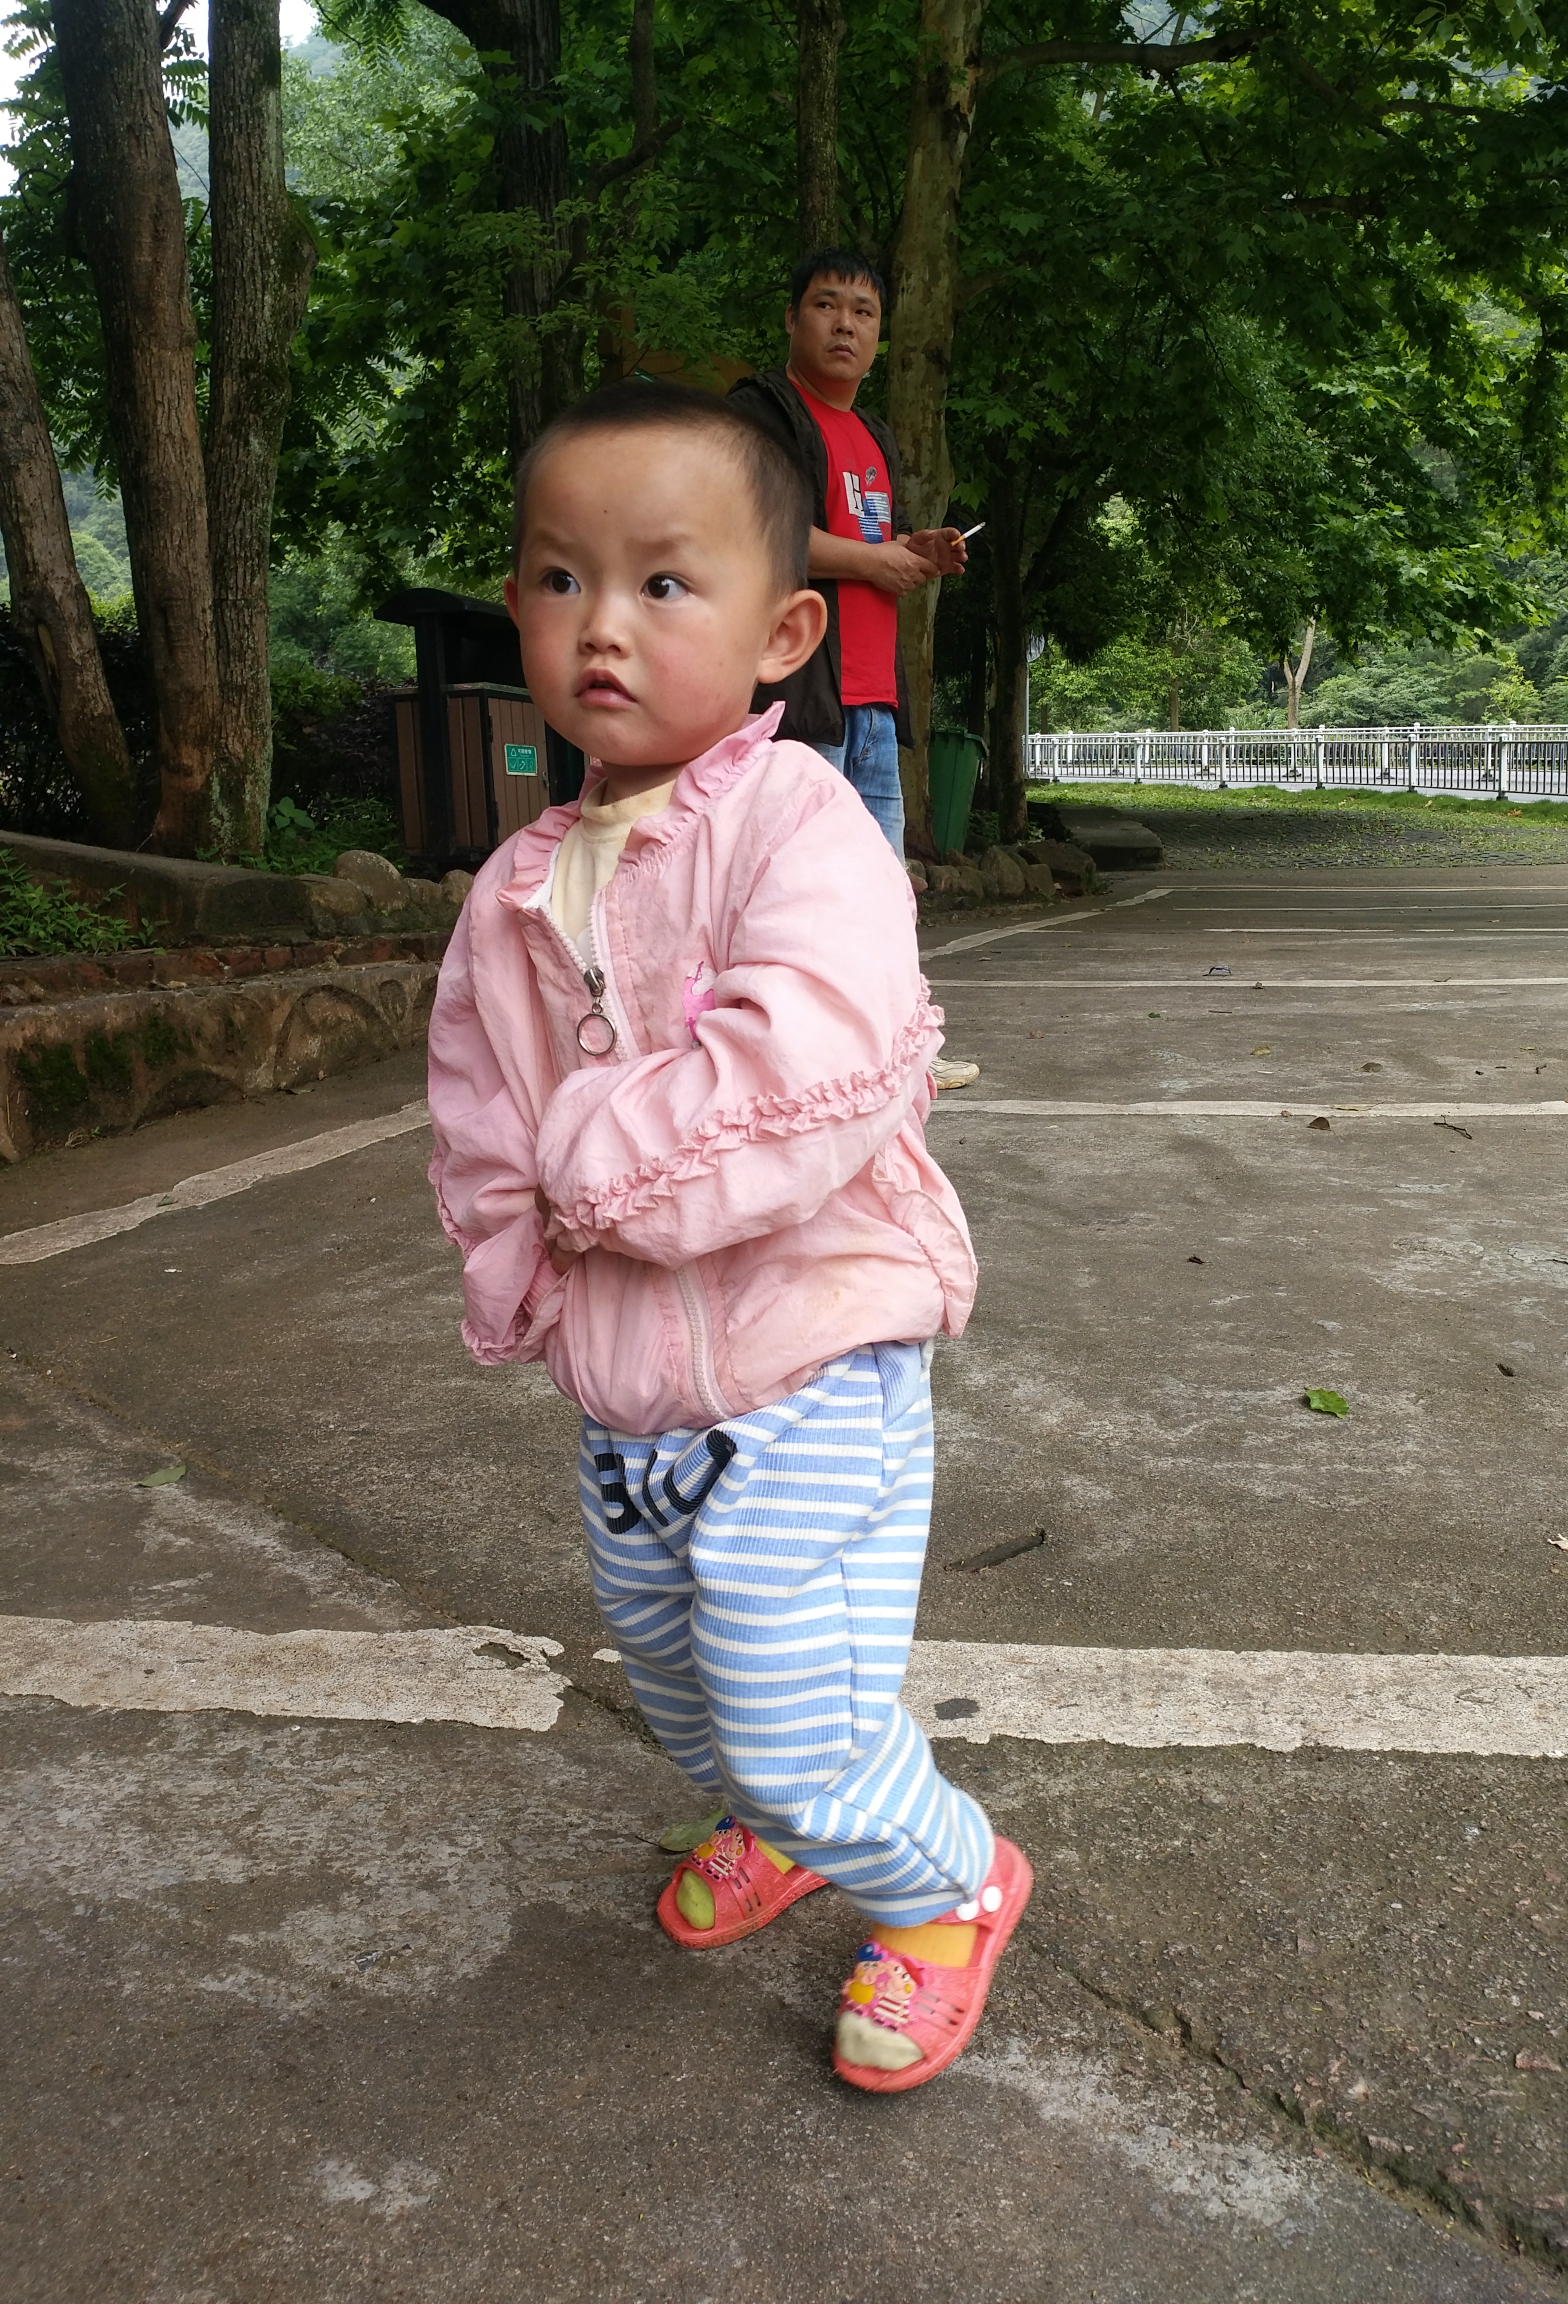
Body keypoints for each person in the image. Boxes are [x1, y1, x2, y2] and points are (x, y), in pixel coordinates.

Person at [427, 380, 1032, 2093]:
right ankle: (781, 1811)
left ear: (781, 633)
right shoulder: (514, 887)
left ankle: (947, 1882)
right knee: (687, 1693)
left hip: (808, 1350)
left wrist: (586, 1171)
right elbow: (478, 1115)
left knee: (788, 1701)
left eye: (660, 583)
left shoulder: (800, 827)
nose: (598, 625)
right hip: (630, 1397)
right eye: (558, 579)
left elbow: (806, 1063)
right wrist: (526, 1269)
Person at [731, 249, 980, 1093]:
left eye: (864, 313)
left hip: (873, 704)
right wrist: (873, 564)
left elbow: (875, 542)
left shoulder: (874, 435)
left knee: (881, 895)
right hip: (800, 702)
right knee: (798, 894)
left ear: (880, 335)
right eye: (827, 306)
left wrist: (916, 550)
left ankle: (899, 1055)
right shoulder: (763, 411)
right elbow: (757, 533)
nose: (846, 325)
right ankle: (795, 1064)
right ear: (793, 320)